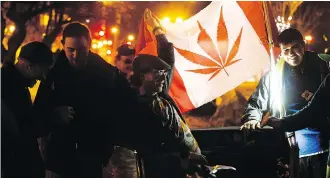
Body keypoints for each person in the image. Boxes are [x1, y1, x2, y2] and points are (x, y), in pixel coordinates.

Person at [34, 22, 129, 178]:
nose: (76, 56)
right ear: (63, 45)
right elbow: (37, 115)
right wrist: (54, 115)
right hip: (59, 159)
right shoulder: (52, 72)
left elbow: (121, 110)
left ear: (89, 45)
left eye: (81, 50)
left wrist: (107, 151)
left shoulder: (106, 73)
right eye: (70, 50)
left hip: (93, 158)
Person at [240, 28, 330, 178]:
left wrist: (282, 123)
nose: (291, 54)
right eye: (286, 50)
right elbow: (256, 103)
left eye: (295, 47)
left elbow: (314, 110)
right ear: (281, 51)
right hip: (295, 150)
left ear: (303, 45)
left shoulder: (323, 67)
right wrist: (252, 118)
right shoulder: (275, 76)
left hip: (325, 145)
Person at [125, 8, 202, 178]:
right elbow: (151, 153)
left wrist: (157, 30)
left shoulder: (159, 94)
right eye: (156, 72)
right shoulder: (139, 109)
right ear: (142, 76)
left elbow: (168, 58)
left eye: (162, 73)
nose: (162, 76)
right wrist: (183, 159)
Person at [1, 41, 54, 178]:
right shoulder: (10, 88)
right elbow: (25, 129)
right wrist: (54, 117)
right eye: (42, 70)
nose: (43, 77)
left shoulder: (13, 83)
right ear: (29, 66)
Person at [266, 73, 330, 178]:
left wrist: (283, 122)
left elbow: (313, 111)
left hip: (320, 148)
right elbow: (313, 110)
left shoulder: (319, 72)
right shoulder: (278, 72)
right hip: (301, 150)